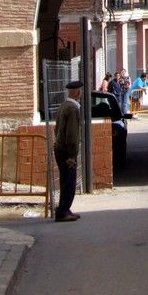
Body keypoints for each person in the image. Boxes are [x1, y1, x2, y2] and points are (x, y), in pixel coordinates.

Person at [54, 79, 82, 222]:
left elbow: (56, 129)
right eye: (81, 91)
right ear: (77, 92)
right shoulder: (73, 109)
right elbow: (71, 134)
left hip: (59, 147)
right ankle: (63, 211)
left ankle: (64, 209)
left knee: (65, 180)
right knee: (69, 182)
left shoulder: (64, 105)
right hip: (66, 151)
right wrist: (71, 155)